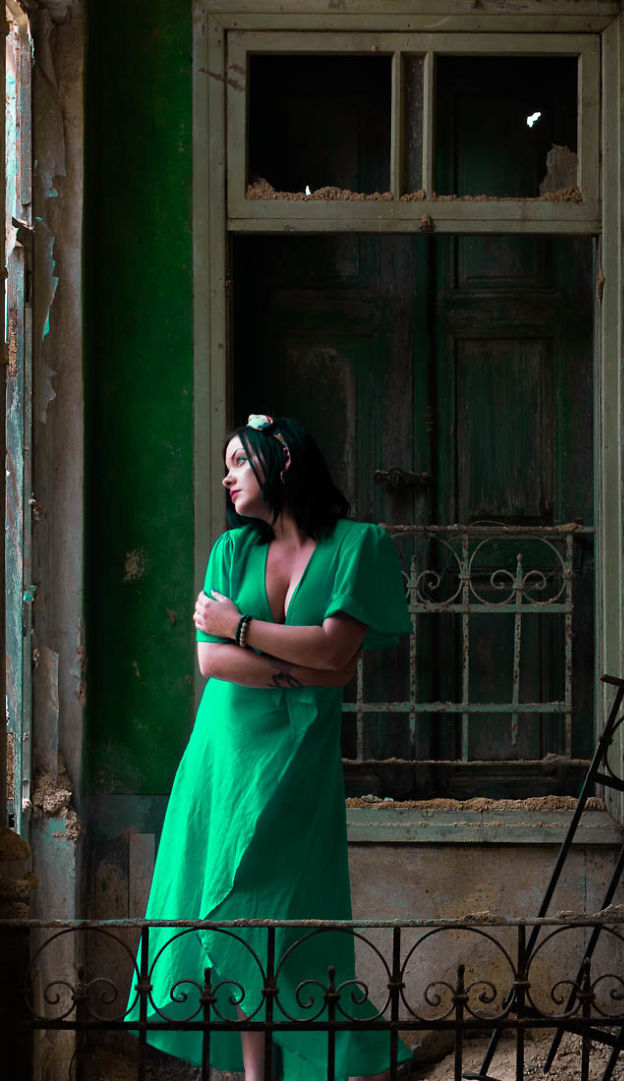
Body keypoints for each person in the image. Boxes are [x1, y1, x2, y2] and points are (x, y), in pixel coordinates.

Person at [126, 414, 411, 1081]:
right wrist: (303, 666)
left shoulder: (358, 545)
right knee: (231, 906)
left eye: (237, 462)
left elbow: (339, 649)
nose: (226, 476)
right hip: (224, 755)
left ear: (281, 460)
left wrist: (242, 626)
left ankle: (339, 1055)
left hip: (299, 757)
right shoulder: (231, 552)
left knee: (286, 907)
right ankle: (255, 1075)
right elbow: (212, 661)